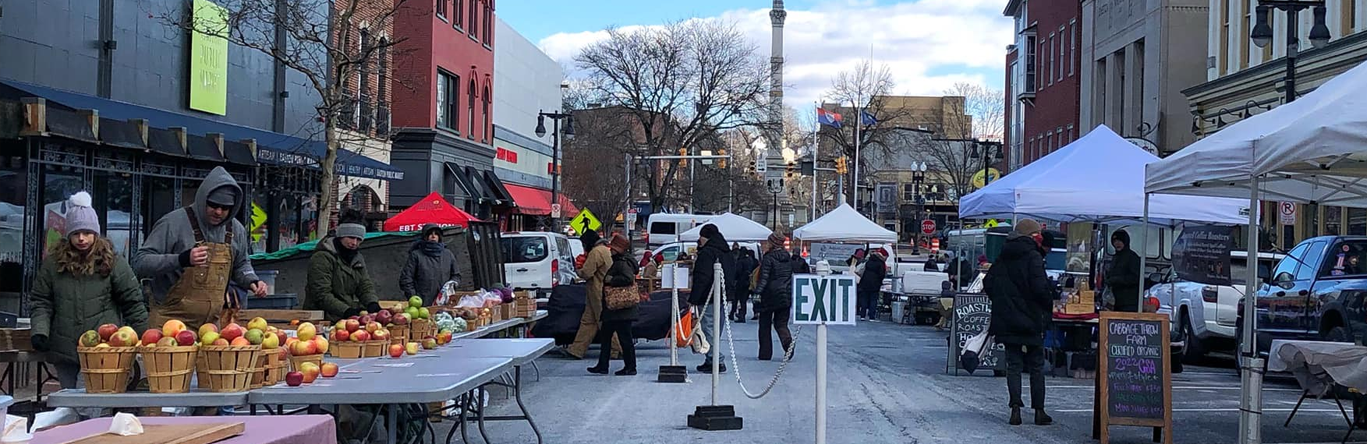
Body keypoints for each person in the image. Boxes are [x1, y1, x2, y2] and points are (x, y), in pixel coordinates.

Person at [31, 192, 149, 389]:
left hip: (102, 349)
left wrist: (145, 336)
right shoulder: (53, 264)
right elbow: (41, 300)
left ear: (95, 233)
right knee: (69, 404)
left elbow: (132, 302)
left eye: (87, 233)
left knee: (92, 404)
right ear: (68, 235)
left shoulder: (112, 262)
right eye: (76, 233)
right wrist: (40, 331)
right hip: (65, 348)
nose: (81, 239)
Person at [135, 166, 265, 332]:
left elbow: (241, 264)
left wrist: (252, 281)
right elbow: (141, 262)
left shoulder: (236, 230)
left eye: (225, 208)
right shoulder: (173, 223)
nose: (218, 212)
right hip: (169, 323)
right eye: (213, 205)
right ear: (203, 199)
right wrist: (182, 259)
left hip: (210, 327)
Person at [984, 218, 1055, 426]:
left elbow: (988, 282)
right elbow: (1041, 288)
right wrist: (1048, 305)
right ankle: (1039, 411)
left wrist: (1003, 302)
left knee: (1013, 365)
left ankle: (1015, 408)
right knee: (1036, 366)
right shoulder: (1033, 256)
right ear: (1033, 236)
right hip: (1032, 319)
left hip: (1008, 320)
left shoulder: (1003, 256)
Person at [304, 216, 381, 322]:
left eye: (359, 239)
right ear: (340, 235)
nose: (354, 243)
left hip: (346, 320)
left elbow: (364, 285)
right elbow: (321, 294)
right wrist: (347, 311)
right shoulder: (322, 257)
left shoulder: (357, 258)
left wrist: (372, 303)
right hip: (321, 319)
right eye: (350, 237)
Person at [588, 234, 639, 376]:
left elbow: (627, 279)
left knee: (624, 338)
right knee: (607, 337)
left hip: (620, 309)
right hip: (616, 309)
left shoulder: (621, 263)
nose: (610, 250)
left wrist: (611, 280)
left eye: (613, 248)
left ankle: (630, 367)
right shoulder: (622, 261)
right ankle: (603, 365)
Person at [689, 224, 736, 373]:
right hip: (722, 296)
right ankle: (710, 359)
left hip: (707, 297)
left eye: (701, 237)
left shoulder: (707, 253)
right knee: (716, 329)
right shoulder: (726, 252)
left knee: (707, 328)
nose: (699, 240)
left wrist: (694, 298)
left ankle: (716, 359)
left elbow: (702, 277)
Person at [568, 230, 621, 360]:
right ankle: (577, 350)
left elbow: (587, 273)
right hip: (597, 292)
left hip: (598, 292)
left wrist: (578, 270)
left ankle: (617, 349)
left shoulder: (596, 252)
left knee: (604, 322)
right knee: (588, 322)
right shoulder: (604, 250)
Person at [755, 232, 794, 360]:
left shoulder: (768, 258)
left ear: (772, 243)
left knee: (764, 325)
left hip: (769, 295)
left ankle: (765, 353)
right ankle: (788, 344)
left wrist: (757, 294)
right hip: (785, 294)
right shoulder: (787, 258)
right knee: (781, 324)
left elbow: (764, 279)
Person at [399, 224, 460, 305]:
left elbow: (456, 275)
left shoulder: (448, 254)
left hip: (444, 303)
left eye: (436, 234)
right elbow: (406, 278)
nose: (433, 236)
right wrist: (413, 297)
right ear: (425, 236)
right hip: (422, 303)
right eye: (430, 234)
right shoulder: (416, 255)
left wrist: (451, 285)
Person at [1105, 229, 1141, 312]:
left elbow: (1135, 277)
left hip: (1129, 302)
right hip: (1116, 301)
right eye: (1115, 241)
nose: (1117, 243)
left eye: (1120, 241)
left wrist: (1116, 280)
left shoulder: (1132, 257)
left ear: (1125, 242)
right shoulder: (1116, 257)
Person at [857, 248, 888, 321]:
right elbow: (881, 274)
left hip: (865, 282)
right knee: (873, 299)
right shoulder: (881, 263)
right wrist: (880, 281)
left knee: (864, 299)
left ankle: (862, 316)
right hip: (875, 283)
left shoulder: (868, 261)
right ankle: (871, 316)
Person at [731, 247, 758, 323]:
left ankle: (740, 315)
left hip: (741, 282)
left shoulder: (740, 261)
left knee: (739, 299)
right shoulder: (752, 261)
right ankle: (756, 312)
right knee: (753, 299)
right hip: (751, 282)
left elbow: (738, 272)